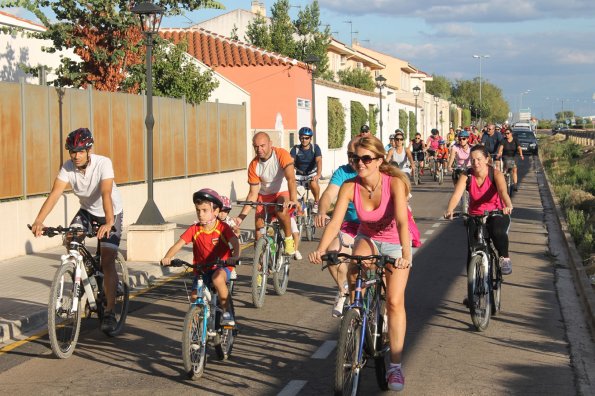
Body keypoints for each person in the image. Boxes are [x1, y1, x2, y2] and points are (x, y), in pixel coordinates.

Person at [309, 136, 412, 391]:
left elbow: (402, 223)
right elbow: (335, 222)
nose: (360, 163)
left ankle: (395, 367)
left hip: (395, 241)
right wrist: (321, 249)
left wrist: (406, 256)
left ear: (379, 160)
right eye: (356, 158)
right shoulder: (349, 186)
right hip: (369, 238)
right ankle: (358, 315)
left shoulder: (395, 183)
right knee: (355, 272)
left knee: (395, 301)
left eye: (366, 158)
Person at [30, 128, 124, 333]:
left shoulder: (103, 163)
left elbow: (106, 193)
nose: (76, 155)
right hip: (87, 212)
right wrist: (39, 220)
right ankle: (81, 273)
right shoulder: (67, 168)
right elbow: (55, 193)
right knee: (70, 239)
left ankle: (109, 312)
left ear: (89, 150)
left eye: (80, 151)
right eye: (72, 151)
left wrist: (108, 222)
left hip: (110, 213)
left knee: (107, 260)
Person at [161, 189, 240, 326]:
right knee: (194, 298)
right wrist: (167, 257)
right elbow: (178, 245)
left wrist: (236, 256)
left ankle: (227, 313)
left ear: (215, 211)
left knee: (217, 279)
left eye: (204, 210)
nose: (200, 214)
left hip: (221, 266)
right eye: (198, 211)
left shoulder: (222, 227)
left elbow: (235, 242)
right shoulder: (194, 229)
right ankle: (196, 333)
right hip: (201, 269)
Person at [444, 145, 514, 275]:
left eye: (479, 159)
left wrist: (508, 205)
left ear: (487, 159)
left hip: (496, 212)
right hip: (475, 215)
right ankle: (473, 285)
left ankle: (505, 258)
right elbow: (456, 195)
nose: (475, 163)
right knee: (472, 250)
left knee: (497, 232)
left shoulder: (495, 174)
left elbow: (503, 192)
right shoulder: (467, 175)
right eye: (472, 160)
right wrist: (450, 210)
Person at [314, 137, 362, 317]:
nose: (353, 160)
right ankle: (344, 291)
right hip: (350, 226)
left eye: (357, 156)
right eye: (350, 155)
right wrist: (322, 211)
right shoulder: (343, 172)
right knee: (332, 255)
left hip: (375, 228)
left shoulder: (376, 171)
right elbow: (328, 194)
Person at [234, 132, 298, 255]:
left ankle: (289, 239)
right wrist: (240, 218)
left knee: (281, 209)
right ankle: (259, 270)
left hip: (281, 192)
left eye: (262, 146)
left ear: (270, 144)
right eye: (256, 147)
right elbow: (253, 194)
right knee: (258, 231)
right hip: (264, 196)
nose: (259, 149)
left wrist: (293, 199)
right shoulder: (254, 165)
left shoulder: (281, 154)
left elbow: (291, 178)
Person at [290, 127, 322, 213]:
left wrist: (318, 174)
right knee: (293, 189)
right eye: (302, 138)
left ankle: (316, 202)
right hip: (299, 175)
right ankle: (300, 207)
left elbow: (319, 160)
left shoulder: (315, 148)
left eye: (306, 138)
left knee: (313, 183)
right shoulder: (295, 149)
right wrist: (290, 174)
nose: (304, 140)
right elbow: (291, 163)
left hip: (312, 174)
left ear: (310, 138)